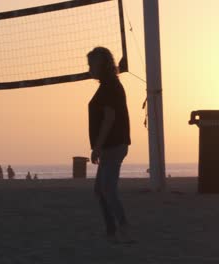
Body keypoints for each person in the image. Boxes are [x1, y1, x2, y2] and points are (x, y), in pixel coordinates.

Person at [87, 47, 133, 243]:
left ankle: (123, 228)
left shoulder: (110, 86)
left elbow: (109, 118)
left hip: (113, 144)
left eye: (91, 64)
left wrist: (97, 146)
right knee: (100, 190)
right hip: (110, 145)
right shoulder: (108, 84)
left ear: (101, 64)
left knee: (108, 189)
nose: (89, 68)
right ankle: (112, 229)